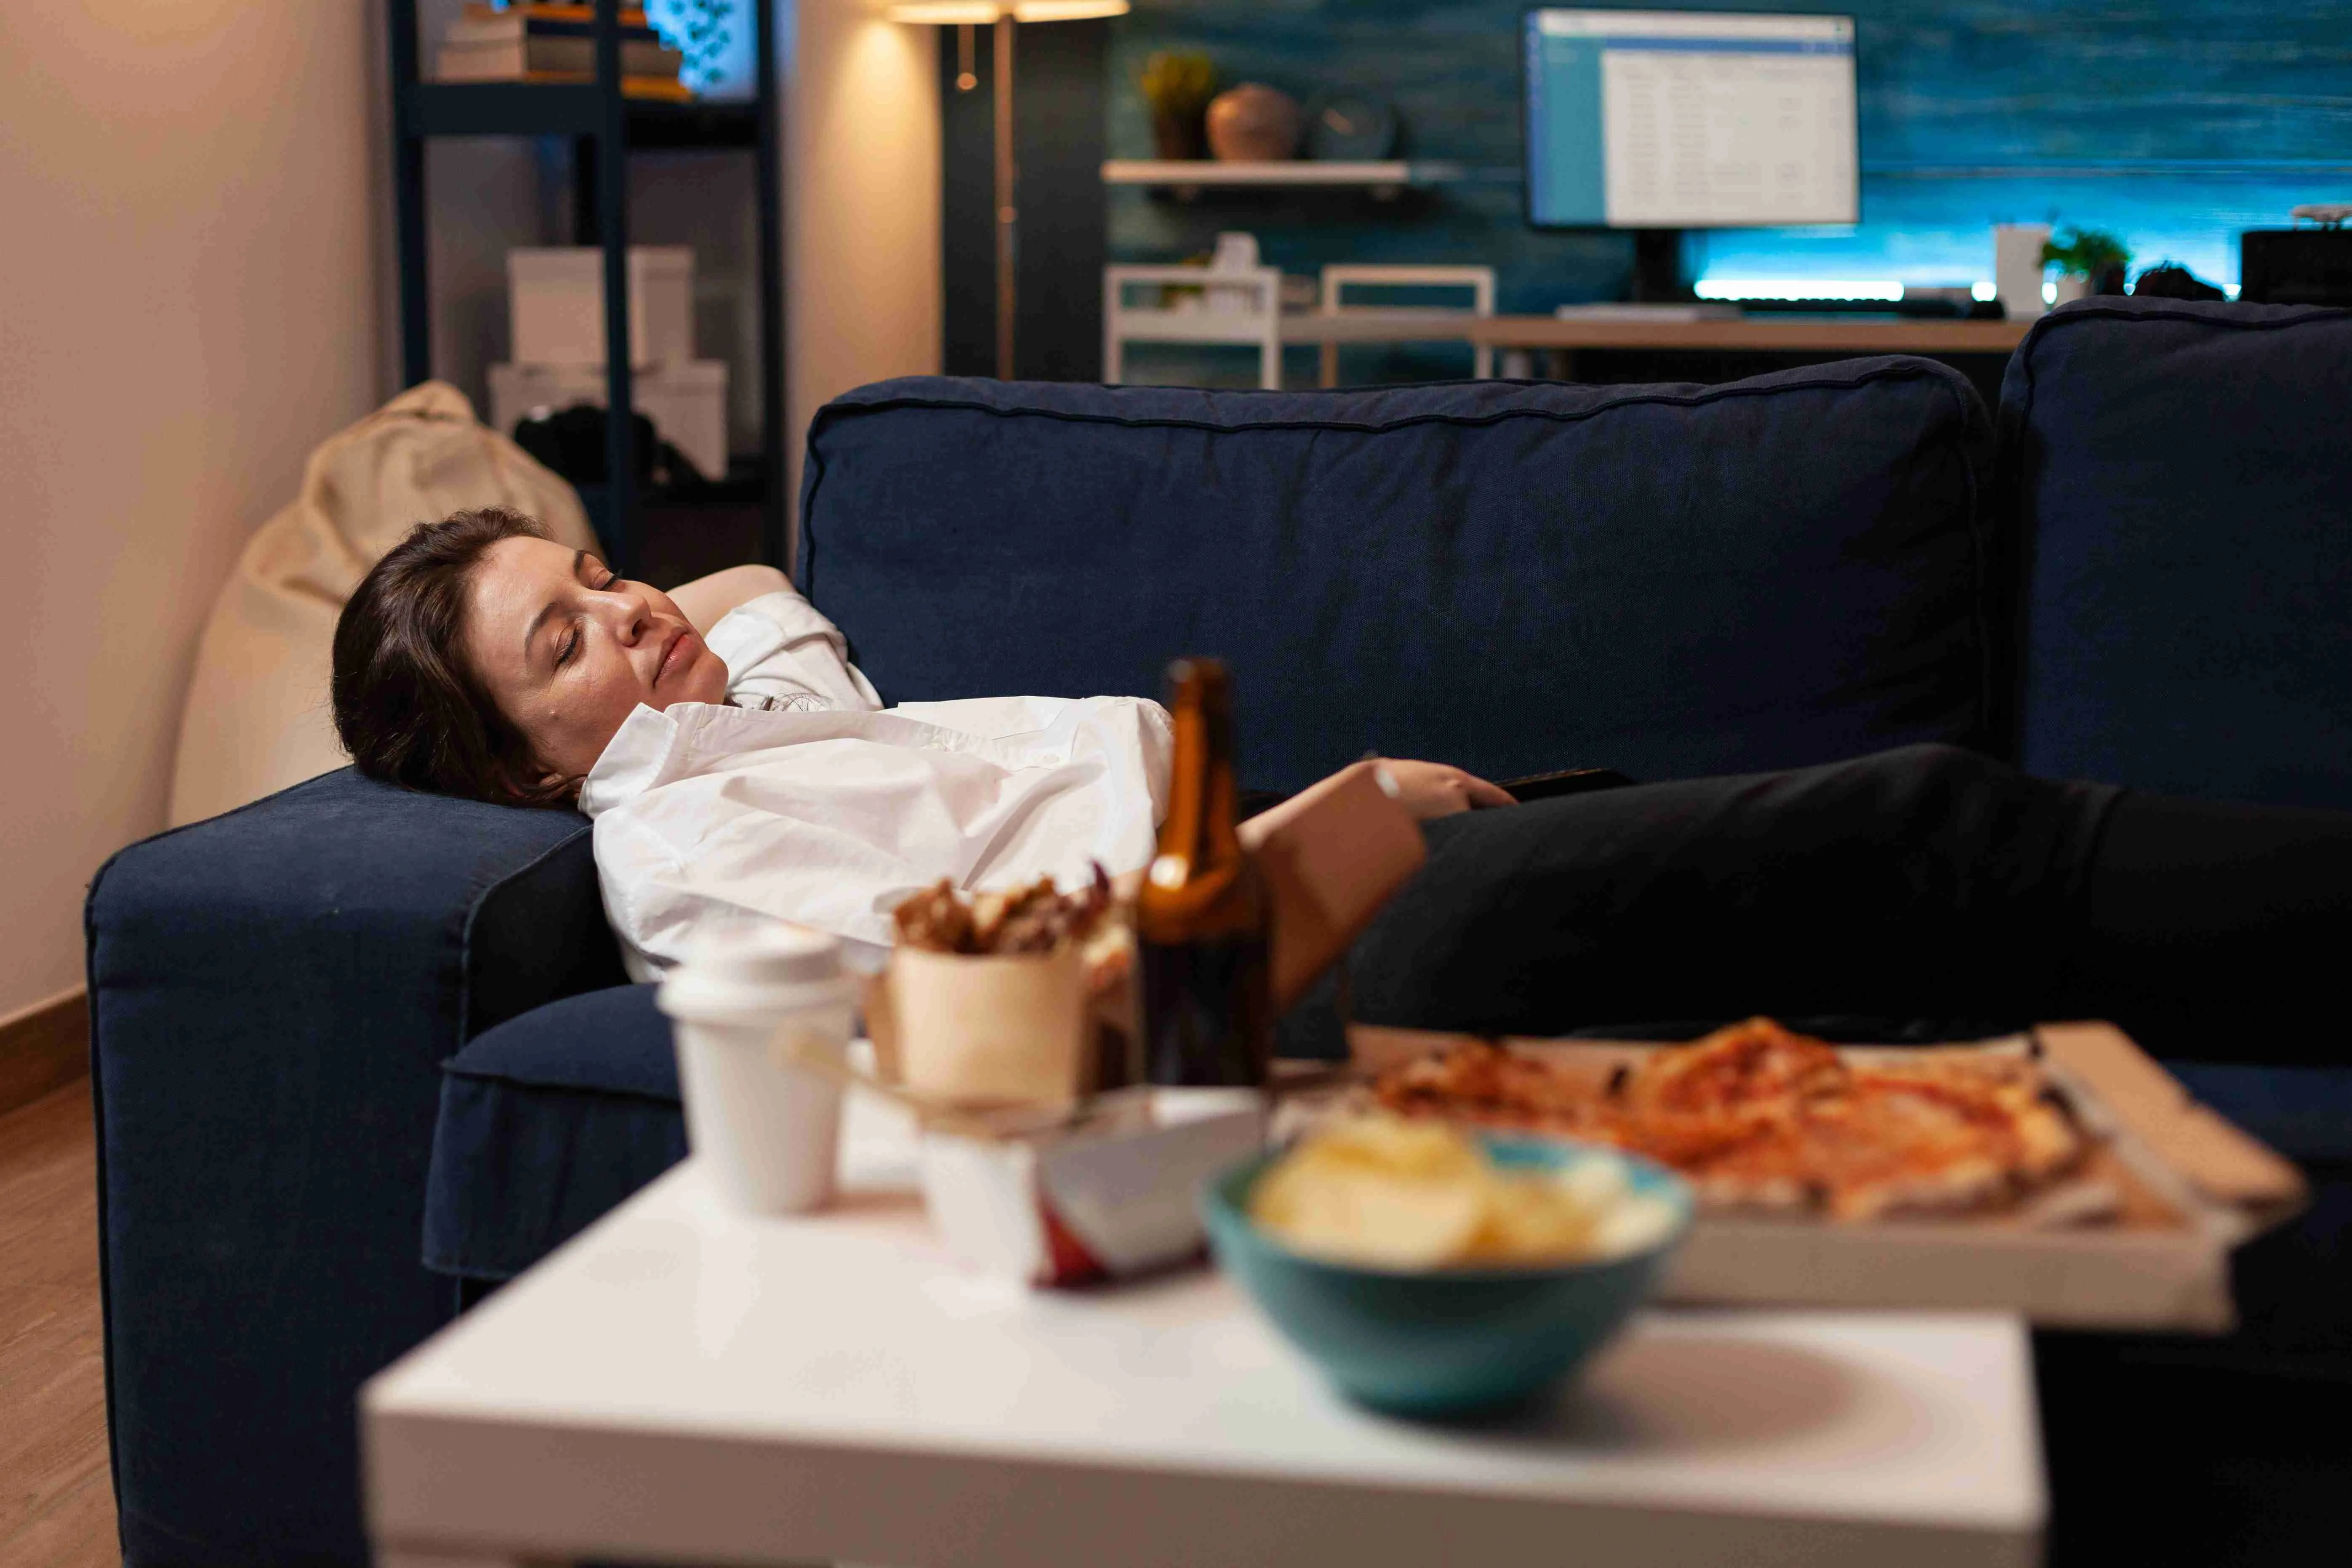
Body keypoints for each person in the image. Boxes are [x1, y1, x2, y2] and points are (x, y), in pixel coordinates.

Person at [332, 507, 2352, 1062]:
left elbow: (755, 591)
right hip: (1260, 961)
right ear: (516, 768)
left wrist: (646, 626)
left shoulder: (750, 711)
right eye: (566, 642)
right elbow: (1001, 1016)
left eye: (598, 571)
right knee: (1922, 818)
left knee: (1850, 912)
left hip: (1293, 865)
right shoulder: (687, 844)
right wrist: (1335, 827)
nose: (632, 616)